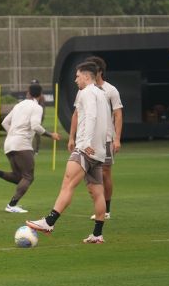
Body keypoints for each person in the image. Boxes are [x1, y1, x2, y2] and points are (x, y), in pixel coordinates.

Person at [25, 62, 111, 243]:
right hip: (99, 151)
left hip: (86, 149)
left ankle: (49, 222)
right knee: (97, 193)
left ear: (87, 77)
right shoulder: (102, 94)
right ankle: (97, 234)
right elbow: (105, 122)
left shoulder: (87, 92)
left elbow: (92, 116)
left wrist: (86, 142)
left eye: (78, 76)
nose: (75, 80)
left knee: (68, 183)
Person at [0, 83, 60, 213]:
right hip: (22, 144)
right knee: (29, 177)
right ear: (40, 95)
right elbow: (35, 126)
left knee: (19, 178)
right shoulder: (37, 107)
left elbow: (4, 122)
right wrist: (51, 135)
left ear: (28, 92)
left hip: (9, 143)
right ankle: (11, 205)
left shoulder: (19, 105)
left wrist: (13, 134)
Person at [72, 56, 122, 220]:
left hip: (105, 139)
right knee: (86, 179)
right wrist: (72, 137)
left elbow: (118, 114)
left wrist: (117, 139)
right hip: (84, 141)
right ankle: (99, 211)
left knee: (105, 173)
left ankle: (106, 209)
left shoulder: (110, 90)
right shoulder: (83, 91)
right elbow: (77, 113)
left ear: (98, 71)